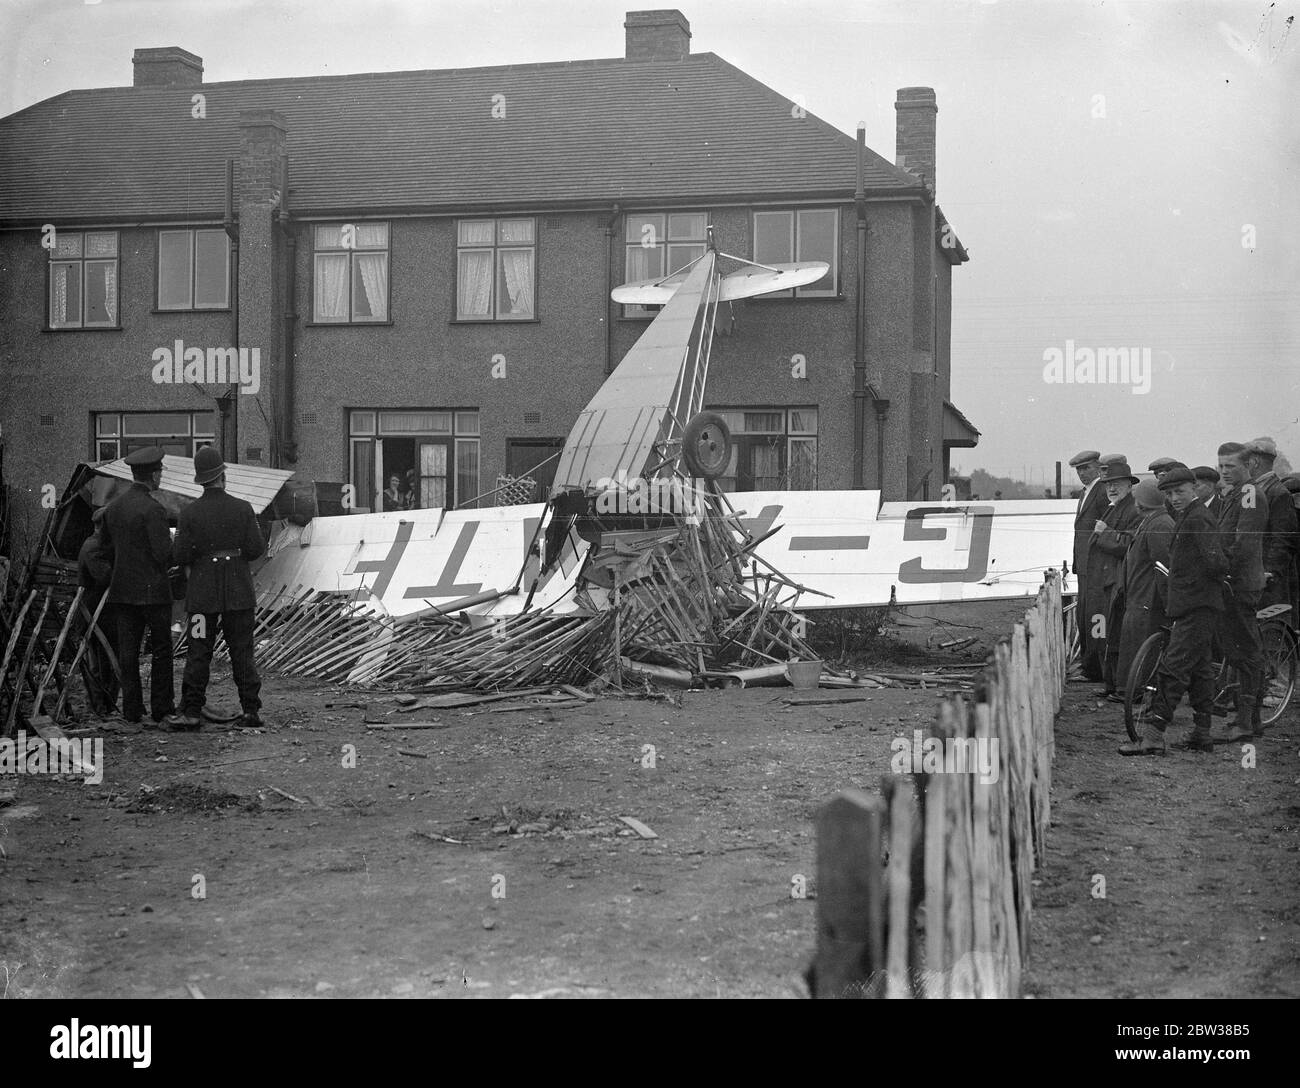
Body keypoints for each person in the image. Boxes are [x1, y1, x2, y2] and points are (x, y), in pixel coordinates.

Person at [1120, 468, 1227, 755]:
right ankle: (1202, 733)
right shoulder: (1189, 516)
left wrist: (1191, 584)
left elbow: (1216, 563)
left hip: (1195, 606)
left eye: (1179, 491)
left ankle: (1154, 736)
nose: (1174, 498)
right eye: (1168, 494)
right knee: (1201, 669)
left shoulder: (1198, 518)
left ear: (1194, 488)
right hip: (1194, 605)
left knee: (1173, 668)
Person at [166, 448, 267, 731]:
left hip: (202, 598)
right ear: (223, 475)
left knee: (198, 651)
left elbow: (180, 554)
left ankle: (192, 713)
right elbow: (256, 549)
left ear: (200, 480)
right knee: (242, 651)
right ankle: (250, 711)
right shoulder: (243, 508)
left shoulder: (188, 514)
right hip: (238, 593)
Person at [98, 446, 175, 725]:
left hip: (122, 592)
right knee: (162, 651)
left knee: (128, 653)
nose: (161, 476)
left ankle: (132, 710)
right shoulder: (154, 509)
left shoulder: (114, 508)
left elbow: (104, 549)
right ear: (153, 475)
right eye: (160, 472)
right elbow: (163, 554)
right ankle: (162, 708)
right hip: (154, 592)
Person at [1216, 441, 1267, 740]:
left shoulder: (1249, 494)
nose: (1224, 471)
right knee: (1236, 649)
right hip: (1229, 582)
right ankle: (1251, 720)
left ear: (1248, 466)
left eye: (1231, 466)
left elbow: (1244, 543)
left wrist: (1218, 565)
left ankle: (1246, 723)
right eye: (1221, 466)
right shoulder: (1233, 494)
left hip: (1240, 583)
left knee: (1246, 651)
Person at [1110, 479, 1173, 703]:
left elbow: (1163, 566)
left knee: (1141, 647)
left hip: (1148, 599)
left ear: (1143, 502)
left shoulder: (1159, 525)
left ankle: (1136, 692)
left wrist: (1166, 601)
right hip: (1139, 597)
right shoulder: (1151, 521)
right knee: (1133, 644)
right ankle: (1129, 691)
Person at [1087, 458, 1142, 698]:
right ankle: (1110, 684)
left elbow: (1130, 544)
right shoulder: (1113, 507)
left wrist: (1105, 533)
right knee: (1108, 635)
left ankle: (1120, 686)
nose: (1111, 488)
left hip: (1120, 583)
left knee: (1119, 636)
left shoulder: (1134, 509)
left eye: (1117, 483)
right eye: (1108, 484)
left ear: (1129, 485)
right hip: (1106, 581)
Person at [1243, 437, 1298, 629]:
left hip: (1269, 581)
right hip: (1253, 576)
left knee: (1272, 635)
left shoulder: (1278, 492)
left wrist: (1270, 572)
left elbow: (1284, 540)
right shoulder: (1253, 490)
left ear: (1255, 462)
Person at [75, 507, 119, 716]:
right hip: (95, 613)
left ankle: (105, 706)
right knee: (99, 664)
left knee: (105, 662)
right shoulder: (94, 548)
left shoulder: (99, 545)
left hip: (103, 613)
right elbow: (106, 577)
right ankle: (100, 707)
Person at [1069, 450, 1108, 680]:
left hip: (1096, 566)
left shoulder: (1101, 491)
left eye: (1086, 468)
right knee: (1084, 616)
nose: (1082, 473)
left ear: (1097, 467)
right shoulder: (1085, 493)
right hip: (1084, 566)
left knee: (1096, 617)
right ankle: (1088, 664)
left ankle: (1096, 668)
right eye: (1078, 470)